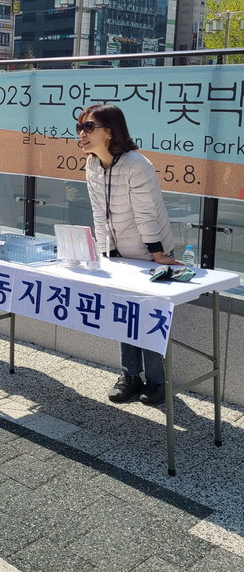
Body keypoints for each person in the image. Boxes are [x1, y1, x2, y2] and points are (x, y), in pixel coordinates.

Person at [78, 103, 178, 405]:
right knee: (125, 316)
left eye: (89, 127)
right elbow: (98, 213)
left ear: (110, 132)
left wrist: (157, 254)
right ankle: (130, 376)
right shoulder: (92, 164)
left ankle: (157, 381)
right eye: (80, 127)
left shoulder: (137, 164)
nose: (82, 133)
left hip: (151, 253)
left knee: (147, 317)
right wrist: (105, 252)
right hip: (120, 254)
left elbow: (146, 214)